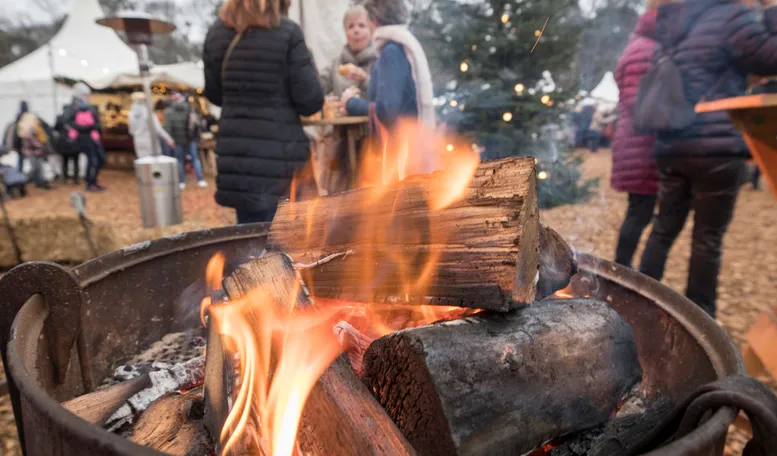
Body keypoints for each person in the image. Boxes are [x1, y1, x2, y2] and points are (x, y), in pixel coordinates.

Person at [639, 0, 777, 318]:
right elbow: (770, 56)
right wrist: (771, 9)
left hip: (672, 141)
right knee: (707, 239)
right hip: (715, 146)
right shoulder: (730, 17)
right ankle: (700, 320)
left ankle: (639, 301)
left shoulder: (671, 21)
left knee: (662, 229)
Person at [203, 0, 324, 224]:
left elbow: (215, 95)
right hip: (282, 160)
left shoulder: (216, 33)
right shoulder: (287, 32)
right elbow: (311, 101)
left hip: (238, 159)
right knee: (295, 243)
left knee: (252, 243)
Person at [610, 7, 661, 268]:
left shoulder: (634, 46)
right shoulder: (651, 50)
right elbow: (640, 101)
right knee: (641, 214)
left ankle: (622, 269)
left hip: (631, 138)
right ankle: (625, 272)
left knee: (637, 213)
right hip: (644, 143)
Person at [320, 5, 377, 97]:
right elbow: (317, 88)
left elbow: (388, 97)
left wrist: (365, 80)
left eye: (361, 25)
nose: (356, 30)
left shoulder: (381, 61)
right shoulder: (336, 64)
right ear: (345, 33)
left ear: (371, 31)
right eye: (351, 26)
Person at [64, 83, 106, 192]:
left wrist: (93, 126)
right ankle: (90, 183)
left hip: (93, 137)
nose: (88, 97)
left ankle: (92, 181)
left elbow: (97, 122)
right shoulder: (73, 107)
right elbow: (67, 122)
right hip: (84, 139)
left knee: (100, 159)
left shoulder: (89, 107)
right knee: (92, 160)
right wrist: (83, 128)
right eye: (86, 95)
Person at [164, 92, 208, 189]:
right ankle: (200, 180)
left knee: (179, 160)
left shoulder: (169, 112)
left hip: (177, 139)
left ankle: (182, 182)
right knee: (195, 159)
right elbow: (197, 123)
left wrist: (170, 139)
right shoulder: (189, 108)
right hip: (190, 138)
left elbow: (168, 128)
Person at [15, 102, 53, 189]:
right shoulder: (27, 132)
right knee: (34, 168)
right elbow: (31, 143)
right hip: (32, 151)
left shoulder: (31, 129)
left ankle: (40, 182)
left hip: (35, 151)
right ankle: (22, 181)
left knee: (39, 167)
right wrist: (40, 145)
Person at [128, 92, 175, 160]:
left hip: (138, 141)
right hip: (150, 141)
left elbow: (131, 131)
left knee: (142, 163)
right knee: (155, 164)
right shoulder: (148, 112)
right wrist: (168, 138)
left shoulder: (131, 113)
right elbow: (157, 128)